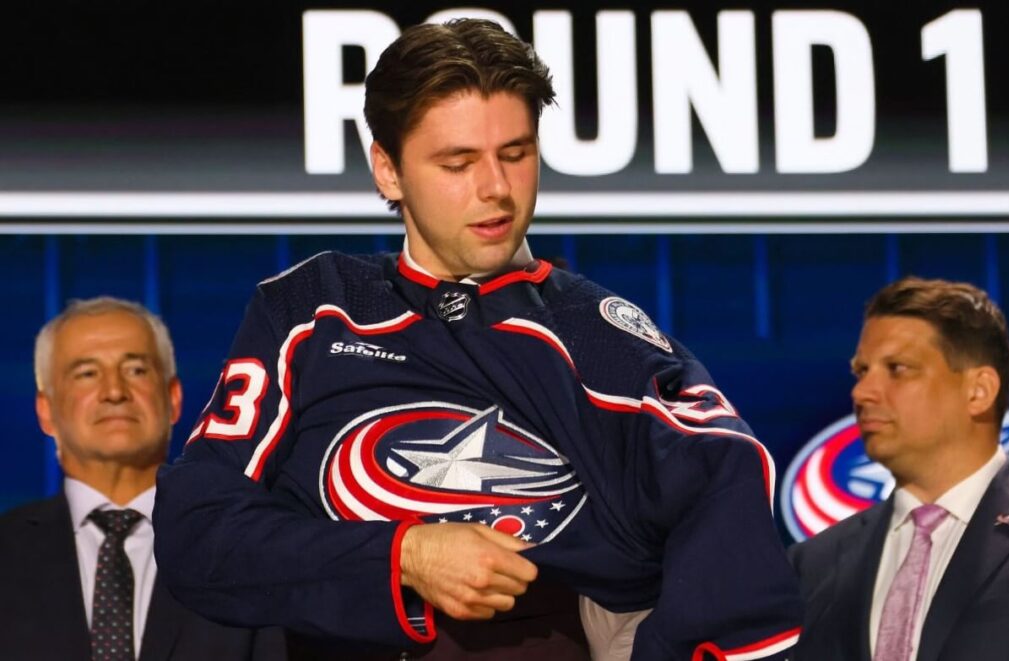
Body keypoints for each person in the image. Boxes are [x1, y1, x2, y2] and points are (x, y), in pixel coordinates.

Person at [153, 18, 802, 660]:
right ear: (388, 170)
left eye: (515, 154)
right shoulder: (312, 312)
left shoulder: (598, 336)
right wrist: (405, 554)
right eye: (457, 162)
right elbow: (197, 530)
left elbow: (729, 513)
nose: (495, 188)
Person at [0, 297, 284, 661]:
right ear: (45, 410)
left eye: (136, 370)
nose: (115, 392)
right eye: (87, 373)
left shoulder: (246, 553)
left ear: (173, 398)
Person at [788, 276, 1009, 660]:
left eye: (897, 368)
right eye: (862, 371)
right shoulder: (812, 564)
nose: (862, 393)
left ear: (979, 391)